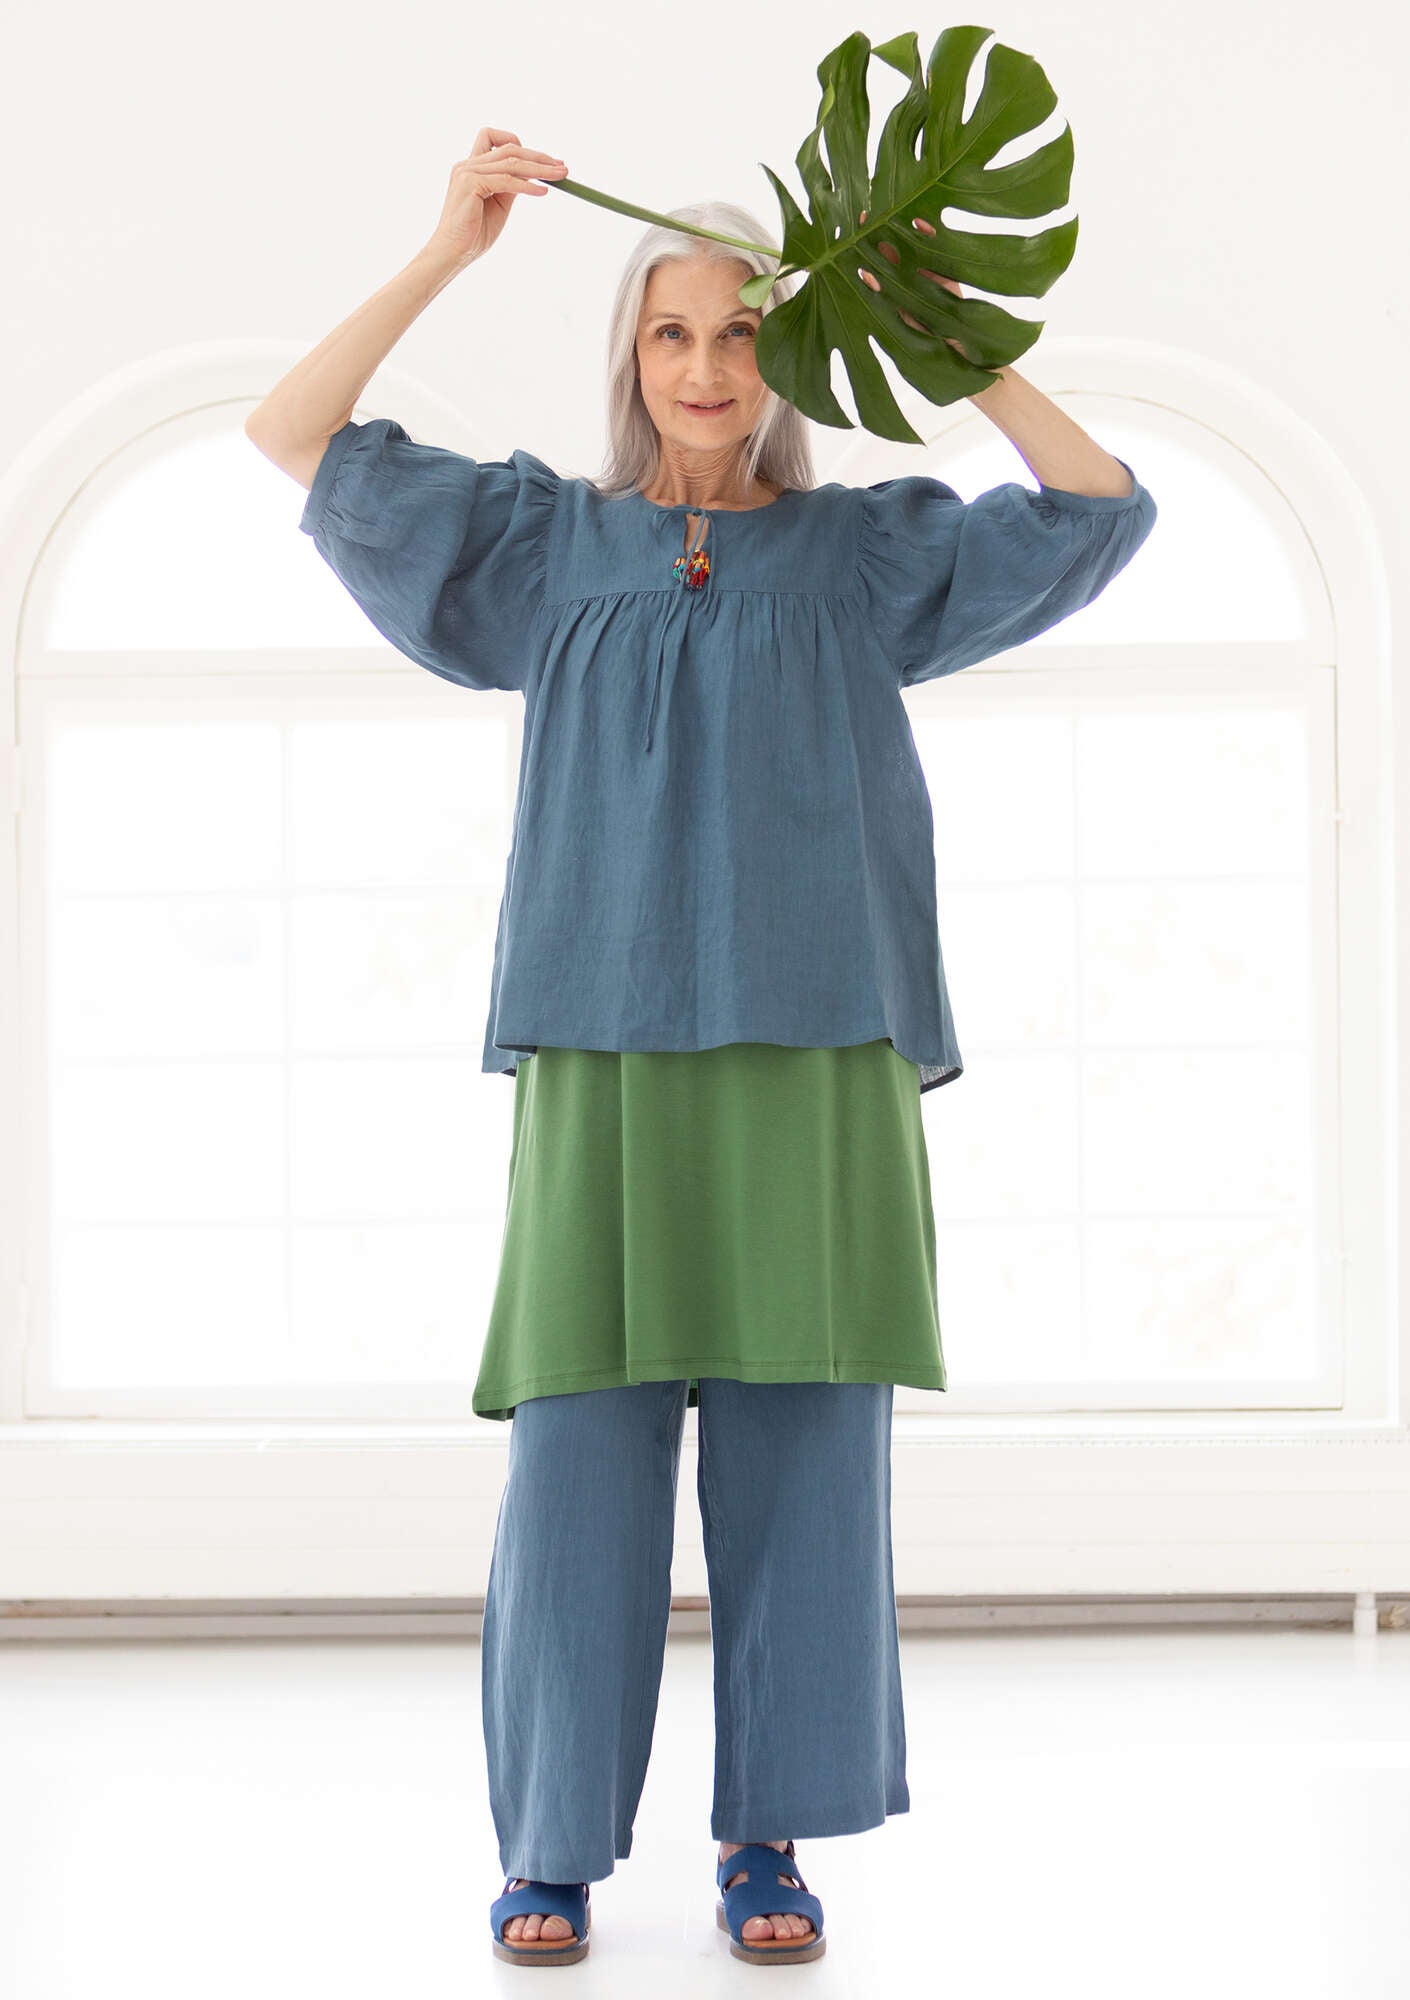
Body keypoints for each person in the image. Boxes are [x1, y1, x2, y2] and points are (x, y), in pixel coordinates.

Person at [246, 127, 1158, 1968]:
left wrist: (938, 334)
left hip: (820, 1055)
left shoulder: (864, 552)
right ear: (630, 357)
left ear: (785, 356)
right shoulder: (538, 545)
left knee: (807, 1468)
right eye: (671, 333)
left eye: (742, 332)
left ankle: (769, 1842)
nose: (707, 366)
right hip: (602, 1052)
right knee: (575, 1465)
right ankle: (550, 1848)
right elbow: (293, 433)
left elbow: (1096, 506)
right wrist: (448, 248)